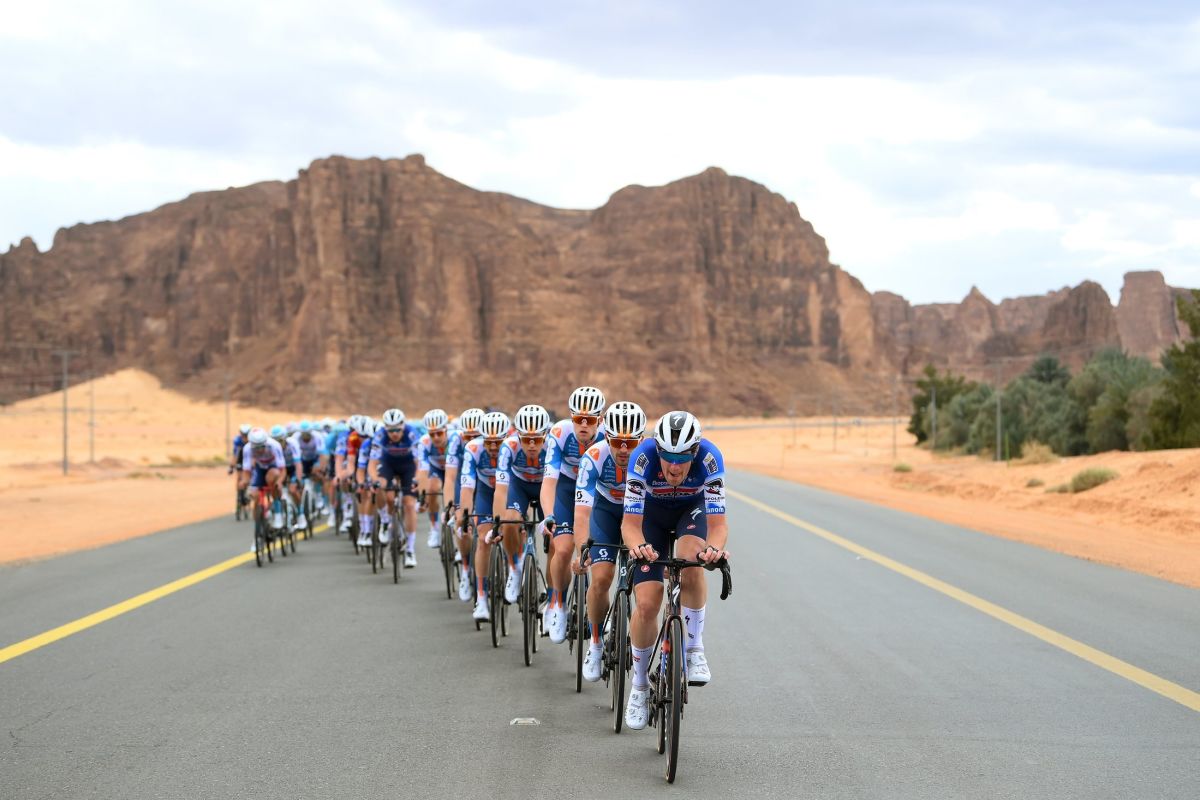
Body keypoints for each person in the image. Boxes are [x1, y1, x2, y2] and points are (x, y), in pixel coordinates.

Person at [620, 411, 729, 730]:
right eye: (667, 457)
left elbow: (718, 526)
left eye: (682, 458)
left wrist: (714, 549)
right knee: (647, 603)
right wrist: (638, 546)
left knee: (692, 560)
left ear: (694, 452)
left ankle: (694, 648)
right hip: (650, 518)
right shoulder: (642, 459)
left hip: (691, 512)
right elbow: (629, 525)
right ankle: (639, 686)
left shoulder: (710, 459)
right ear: (658, 450)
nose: (674, 466)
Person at [571, 401, 646, 682]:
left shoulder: (649, 459)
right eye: (617, 442)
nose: (624, 450)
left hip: (639, 514)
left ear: (641, 439)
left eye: (631, 443)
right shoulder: (593, 457)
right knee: (601, 577)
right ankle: (595, 643)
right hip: (605, 511)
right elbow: (582, 512)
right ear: (606, 437)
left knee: (645, 587)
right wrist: (582, 549)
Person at [539, 386, 606, 643]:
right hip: (566, 491)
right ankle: (557, 602)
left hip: (596, 495)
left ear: (600, 419)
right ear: (571, 417)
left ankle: (601, 608)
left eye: (590, 419)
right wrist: (548, 515)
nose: (583, 424)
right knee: (564, 548)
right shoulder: (559, 433)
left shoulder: (608, 437)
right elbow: (549, 482)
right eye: (579, 418)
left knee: (601, 557)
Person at [493, 404, 552, 605]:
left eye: (537, 439)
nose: (532, 445)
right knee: (509, 521)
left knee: (556, 535)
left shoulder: (553, 446)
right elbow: (501, 489)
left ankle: (551, 586)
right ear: (518, 436)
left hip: (545, 486)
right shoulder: (508, 447)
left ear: (545, 435)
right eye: (526, 439)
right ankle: (515, 568)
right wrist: (498, 522)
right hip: (520, 487)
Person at [459, 411, 510, 622]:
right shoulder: (473, 449)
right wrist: (464, 516)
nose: (493, 447)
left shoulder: (512, 448)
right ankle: (481, 598)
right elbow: (466, 487)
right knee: (482, 539)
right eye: (489, 442)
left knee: (516, 528)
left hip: (509, 492)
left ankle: (517, 567)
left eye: (498, 442)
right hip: (485, 493)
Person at [365, 408, 421, 568]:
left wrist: (417, 479)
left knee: (409, 504)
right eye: (390, 430)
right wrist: (374, 480)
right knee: (381, 487)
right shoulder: (380, 435)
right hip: (388, 464)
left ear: (403, 426)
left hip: (408, 466)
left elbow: (419, 462)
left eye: (397, 430)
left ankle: (410, 550)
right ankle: (384, 521)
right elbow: (372, 464)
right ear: (385, 429)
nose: (394, 434)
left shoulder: (412, 433)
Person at [241, 427, 286, 547]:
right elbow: (246, 471)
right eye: (256, 447)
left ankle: (277, 513)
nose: (259, 450)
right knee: (255, 496)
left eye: (262, 446)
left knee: (272, 479)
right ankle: (258, 533)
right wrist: (245, 483)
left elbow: (282, 470)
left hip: (273, 468)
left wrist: (279, 482)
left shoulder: (274, 445)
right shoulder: (247, 448)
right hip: (260, 469)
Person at [415, 409, 450, 548]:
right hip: (436, 469)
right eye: (431, 434)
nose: (435, 437)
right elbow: (422, 471)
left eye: (439, 433)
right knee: (432, 489)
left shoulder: (455, 439)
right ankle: (434, 528)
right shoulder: (424, 442)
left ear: (446, 429)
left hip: (454, 470)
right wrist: (422, 496)